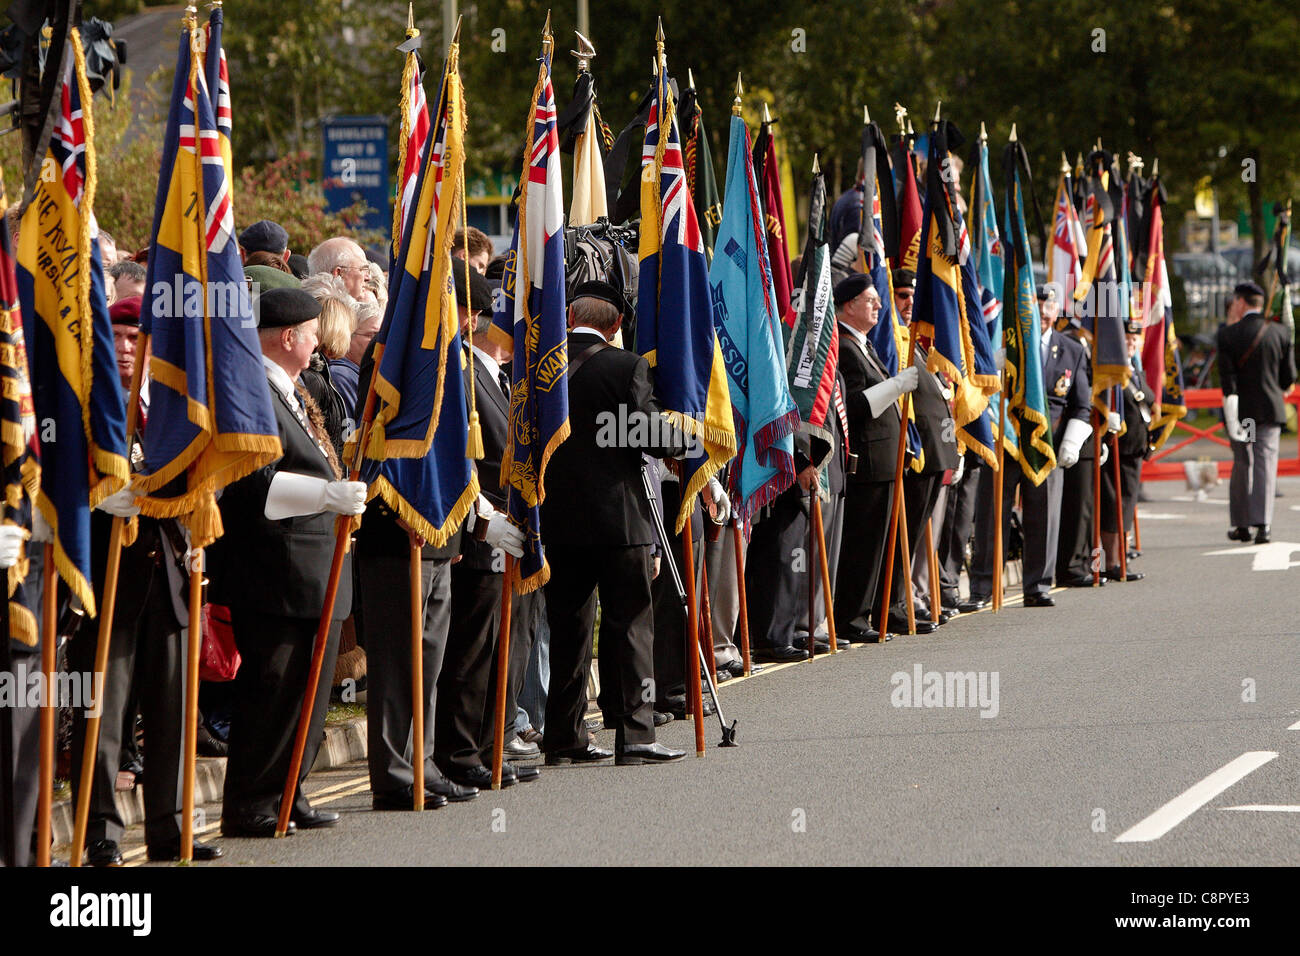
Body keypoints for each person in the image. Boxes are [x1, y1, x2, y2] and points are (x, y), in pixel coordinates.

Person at [64, 296, 219, 865]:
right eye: (120, 338)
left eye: (138, 338)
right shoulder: (90, 408)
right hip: (107, 584)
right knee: (102, 717)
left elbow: (207, 472)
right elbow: (59, 485)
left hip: (173, 577)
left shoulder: (175, 409)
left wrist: (195, 508)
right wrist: (101, 499)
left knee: (172, 714)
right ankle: (99, 831)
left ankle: (169, 827)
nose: (129, 349)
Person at [211, 288, 367, 837]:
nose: (319, 341)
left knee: (308, 693)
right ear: (288, 337)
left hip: (314, 571)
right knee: (271, 691)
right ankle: (251, 801)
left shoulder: (295, 389)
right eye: (311, 331)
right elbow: (252, 484)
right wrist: (326, 497)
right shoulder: (252, 392)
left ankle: (287, 791)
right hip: (274, 574)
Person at [540, 281, 687, 765]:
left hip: (558, 519)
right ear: (617, 325)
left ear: (569, 315)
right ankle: (636, 732)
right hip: (619, 519)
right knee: (629, 626)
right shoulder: (627, 366)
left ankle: (563, 737)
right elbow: (645, 433)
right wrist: (685, 434)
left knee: (569, 629)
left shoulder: (544, 367)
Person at [435, 265, 536, 790]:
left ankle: (489, 743)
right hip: (481, 532)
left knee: (502, 645)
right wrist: (485, 523)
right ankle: (460, 749)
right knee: (472, 650)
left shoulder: (490, 376)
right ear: (476, 316)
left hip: (507, 531)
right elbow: (465, 461)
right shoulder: (461, 374)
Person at [966, 285, 1090, 609]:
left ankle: (1037, 585)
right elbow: (984, 389)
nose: (1045, 311)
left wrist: (1072, 442)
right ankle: (983, 585)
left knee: (1044, 516)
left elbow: (1081, 405)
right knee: (992, 514)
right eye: (1038, 305)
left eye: (1050, 305)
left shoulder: (1072, 350)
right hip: (1006, 440)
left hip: (1046, 447)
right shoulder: (1006, 347)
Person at [832, 274, 918, 640]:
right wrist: (896, 385)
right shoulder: (847, 348)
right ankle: (852, 617)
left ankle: (874, 611)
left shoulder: (863, 345)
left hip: (885, 461)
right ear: (849, 305)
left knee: (879, 545)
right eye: (870, 300)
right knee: (862, 546)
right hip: (866, 462)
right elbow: (851, 406)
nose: (879, 305)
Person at [1218, 280, 1297, 544]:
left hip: (1244, 412)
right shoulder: (1280, 332)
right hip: (1271, 409)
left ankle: (1242, 525)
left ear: (1241, 302)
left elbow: (1227, 382)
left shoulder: (1229, 335)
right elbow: (1289, 379)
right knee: (1265, 463)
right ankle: (1263, 524)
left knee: (1244, 463)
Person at [1100, 320, 1153, 579]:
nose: (1131, 344)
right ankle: (1112, 562)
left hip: (1134, 450)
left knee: (1126, 505)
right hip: (1116, 448)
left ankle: (1121, 557)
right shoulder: (1114, 373)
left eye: (1135, 340)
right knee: (1114, 506)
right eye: (1127, 340)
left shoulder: (1135, 371)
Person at [307, 236, 371, 301]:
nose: (369, 278)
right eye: (363, 269)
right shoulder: (329, 310)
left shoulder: (304, 306)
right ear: (339, 273)